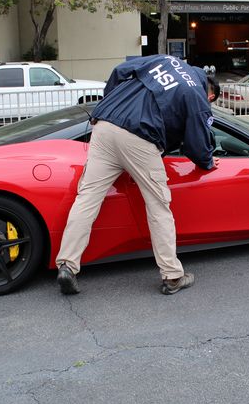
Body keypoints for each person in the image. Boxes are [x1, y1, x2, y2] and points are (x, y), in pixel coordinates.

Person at [56, 54, 221, 296]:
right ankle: (173, 275)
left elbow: (120, 70)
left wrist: (110, 103)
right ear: (211, 94)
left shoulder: (166, 60)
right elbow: (196, 143)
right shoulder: (196, 94)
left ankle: (67, 266)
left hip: (104, 124)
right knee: (158, 206)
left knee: (87, 198)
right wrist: (207, 161)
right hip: (141, 137)